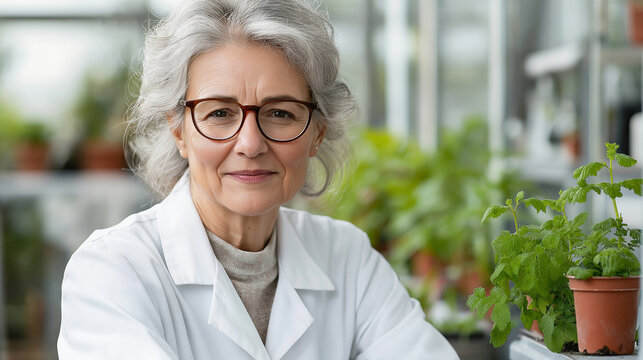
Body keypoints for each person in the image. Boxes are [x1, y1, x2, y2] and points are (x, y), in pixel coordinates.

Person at [57, 0, 459, 359]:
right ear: (179, 131)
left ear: (317, 132)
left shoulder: (347, 258)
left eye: (280, 113)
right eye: (219, 113)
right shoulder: (114, 271)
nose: (250, 143)